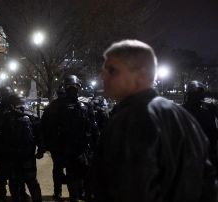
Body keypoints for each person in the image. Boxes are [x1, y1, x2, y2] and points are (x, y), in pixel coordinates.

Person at [88, 39, 216, 202]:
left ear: (141, 75)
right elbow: (207, 179)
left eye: (112, 70)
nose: (102, 76)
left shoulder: (133, 119)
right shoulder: (181, 115)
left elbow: (131, 188)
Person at [42, 75, 97, 202]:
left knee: (80, 174)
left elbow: (92, 127)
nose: (73, 89)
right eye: (71, 87)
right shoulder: (57, 105)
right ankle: (65, 193)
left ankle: (76, 193)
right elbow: (48, 127)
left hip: (80, 146)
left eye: (75, 87)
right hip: (65, 147)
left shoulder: (84, 104)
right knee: (69, 173)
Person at [0, 94, 44, 202]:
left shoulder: (6, 116)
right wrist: (41, 149)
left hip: (12, 155)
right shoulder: (32, 115)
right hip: (28, 155)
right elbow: (40, 134)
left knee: (14, 182)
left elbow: (0, 136)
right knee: (32, 181)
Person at [183, 80, 218, 175]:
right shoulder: (181, 111)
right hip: (189, 159)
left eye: (199, 94)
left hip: (207, 156)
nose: (198, 97)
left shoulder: (208, 111)